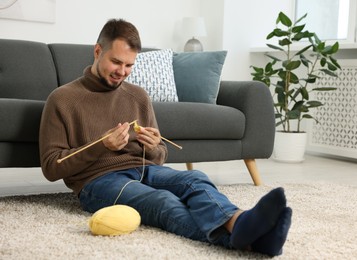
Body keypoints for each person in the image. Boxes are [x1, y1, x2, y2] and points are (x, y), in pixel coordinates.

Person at [39, 18, 292, 256]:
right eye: (116, 62)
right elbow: (51, 168)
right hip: (97, 183)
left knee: (195, 180)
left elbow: (160, 156)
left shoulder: (137, 96)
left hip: (144, 169)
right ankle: (252, 242)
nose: (123, 72)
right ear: (97, 52)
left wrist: (153, 146)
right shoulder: (62, 99)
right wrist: (101, 146)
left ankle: (240, 221)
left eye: (129, 65)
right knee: (163, 202)